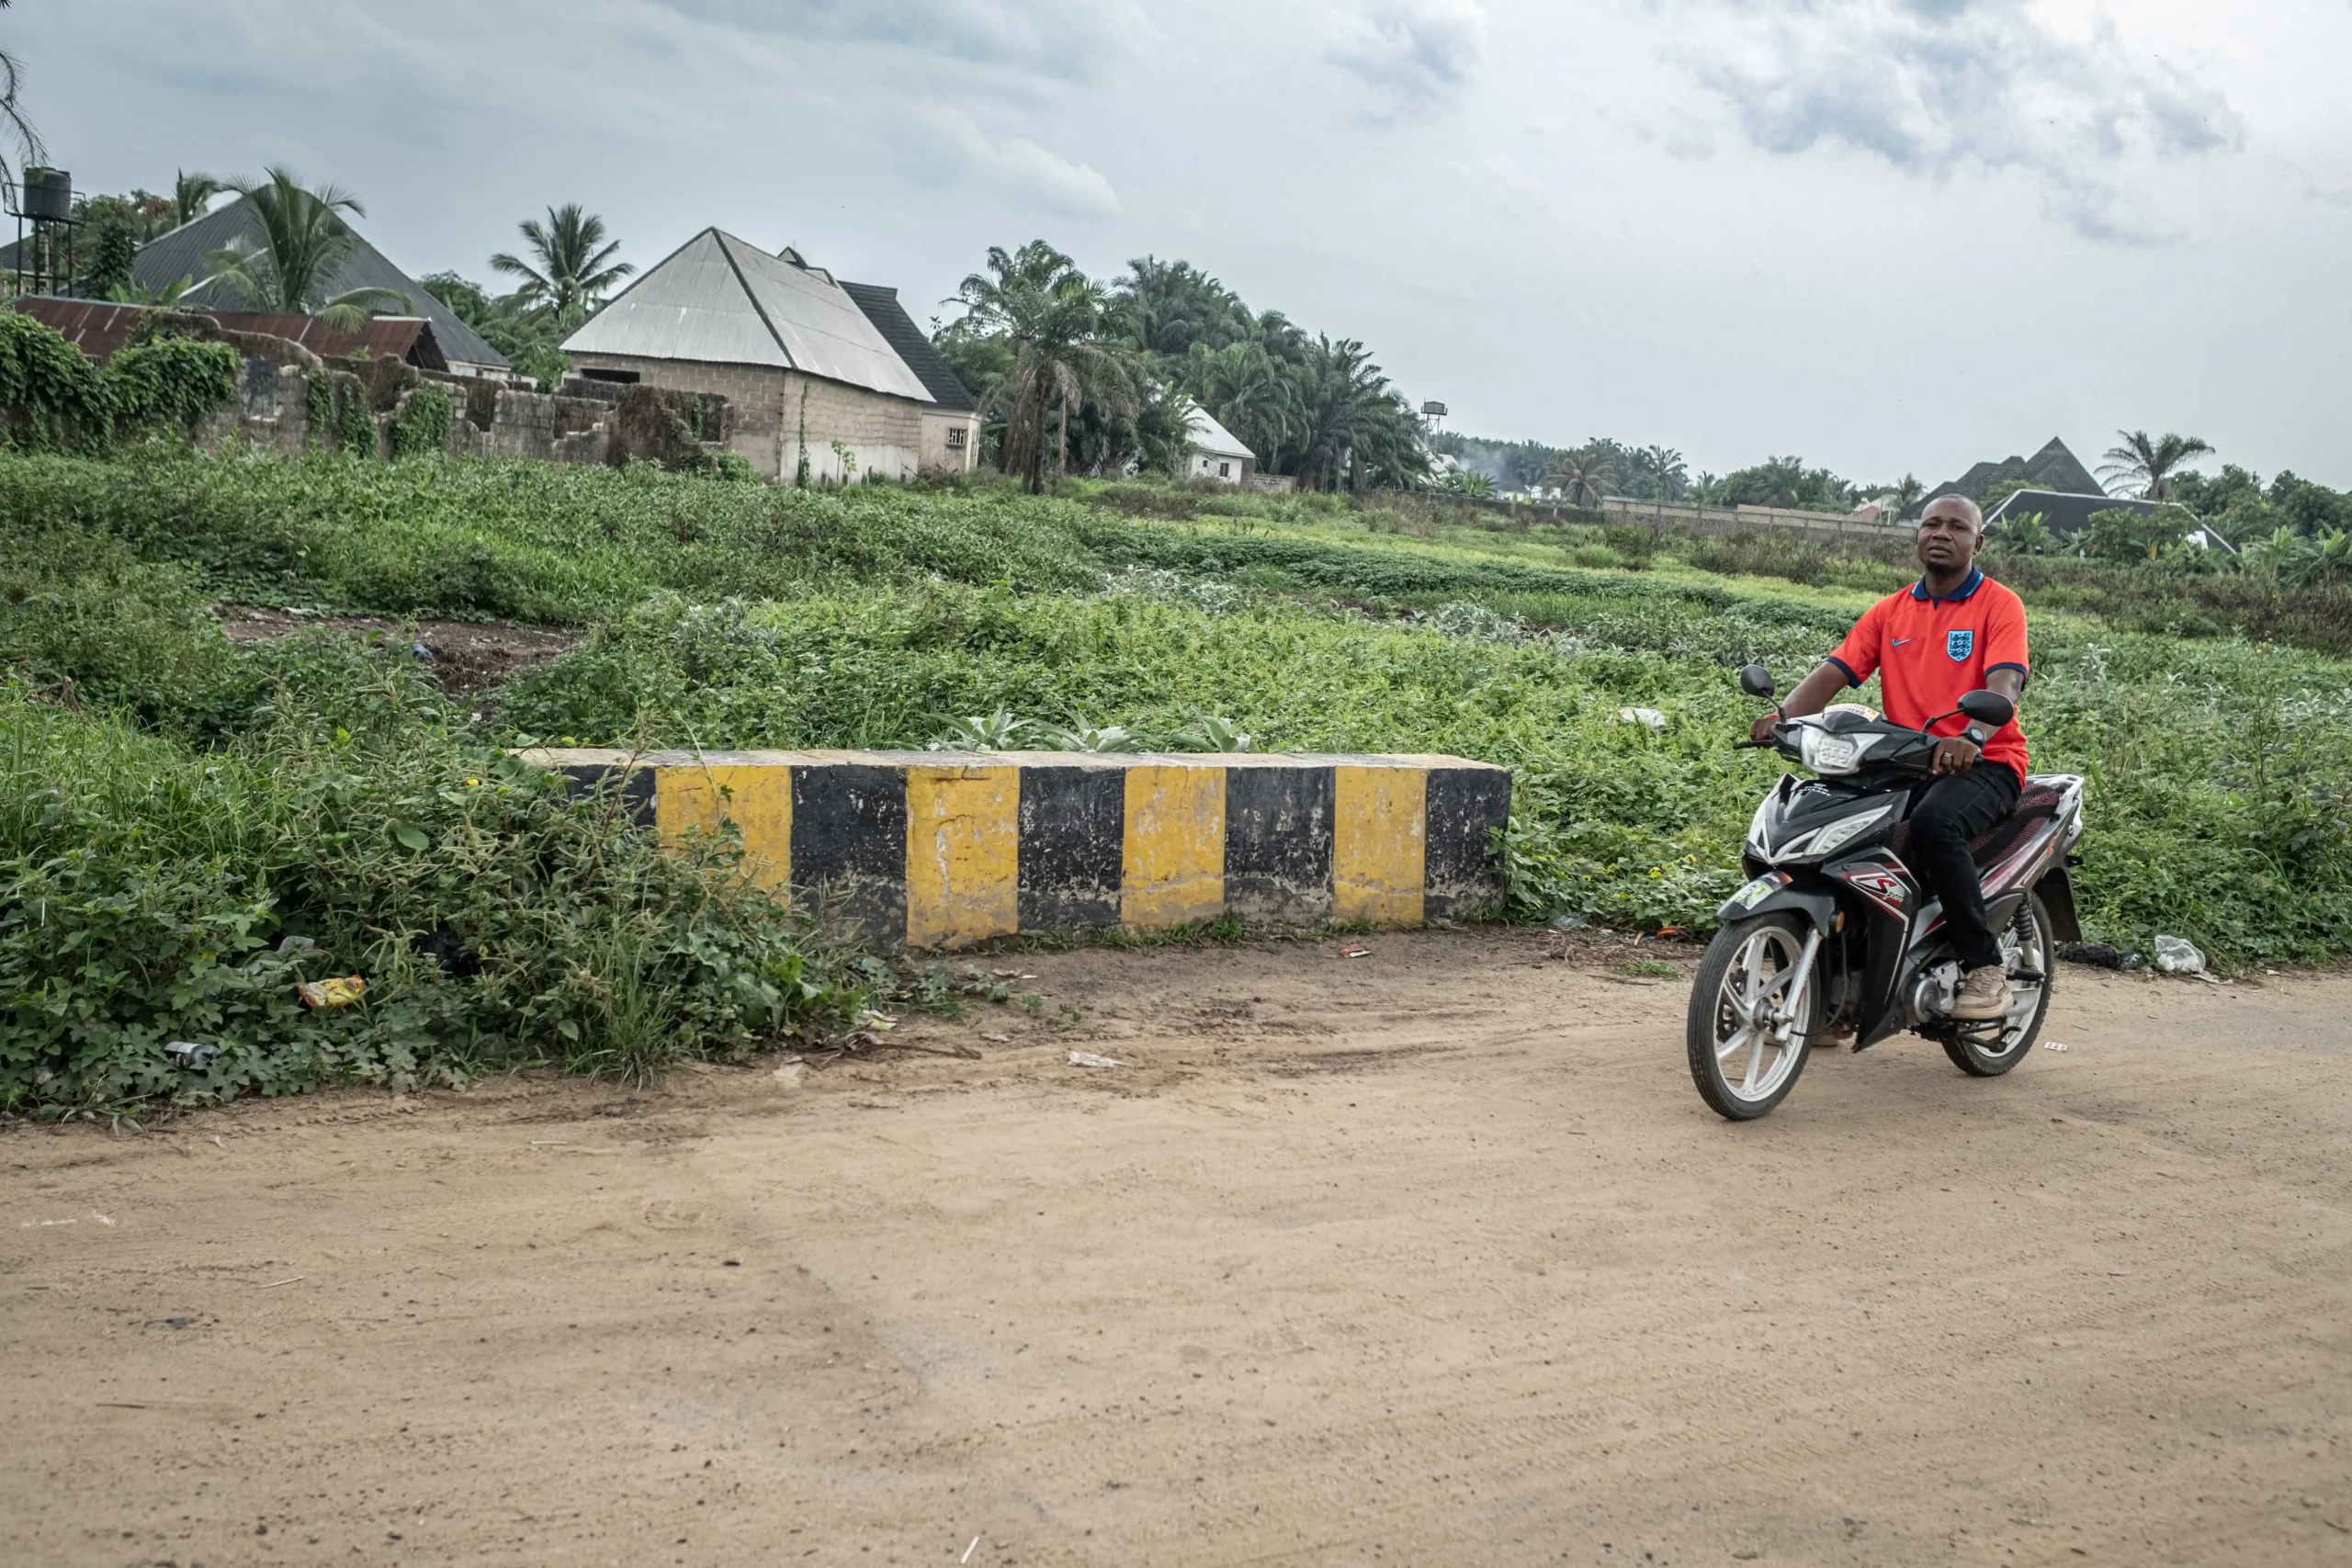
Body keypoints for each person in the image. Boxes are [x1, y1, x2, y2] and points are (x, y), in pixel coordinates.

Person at [1751, 494, 2030, 1021]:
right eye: (1931, 525)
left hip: (1986, 761)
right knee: (1830, 830)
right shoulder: (1891, 611)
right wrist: (1783, 718)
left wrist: (1971, 734)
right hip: (1903, 760)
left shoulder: (1999, 604)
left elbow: (2006, 680)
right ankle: (1839, 987)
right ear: (1917, 536)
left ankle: (1985, 968)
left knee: (1933, 824)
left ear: (1978, 541)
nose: (1941, 534)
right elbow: (1835, 673)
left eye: (1956, 527)